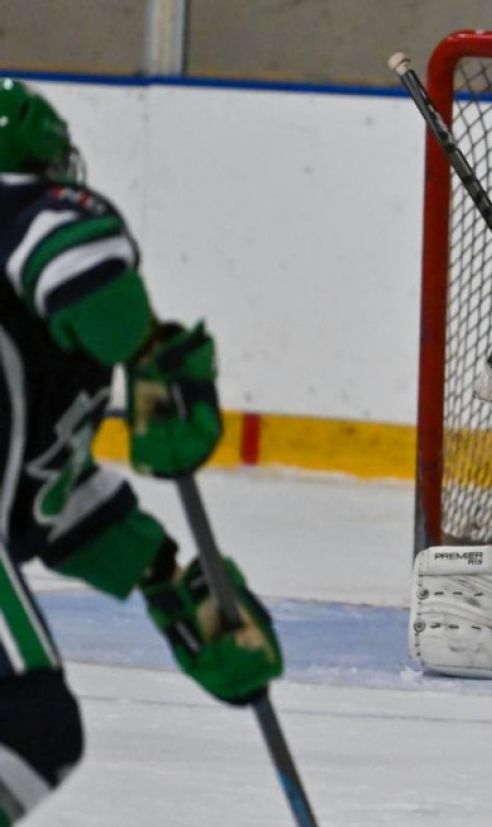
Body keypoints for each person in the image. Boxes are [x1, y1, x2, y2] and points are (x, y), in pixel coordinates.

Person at [0, 78, 281, 825]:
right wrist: (151, 350)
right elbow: (70, 256)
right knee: (26, 726)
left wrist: (168, 580)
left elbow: (41, 498)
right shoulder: (35, 209)